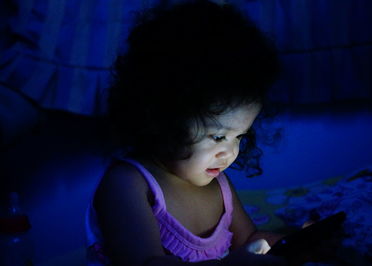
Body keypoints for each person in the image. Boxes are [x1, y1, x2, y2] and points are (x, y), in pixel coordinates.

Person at [86, 1, 287, 265]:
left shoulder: (218, 184)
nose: (229, 153)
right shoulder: (128, 184)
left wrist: (287, 246)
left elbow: (249, 240)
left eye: (240, 137)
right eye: (218, 137)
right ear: (162, 119)